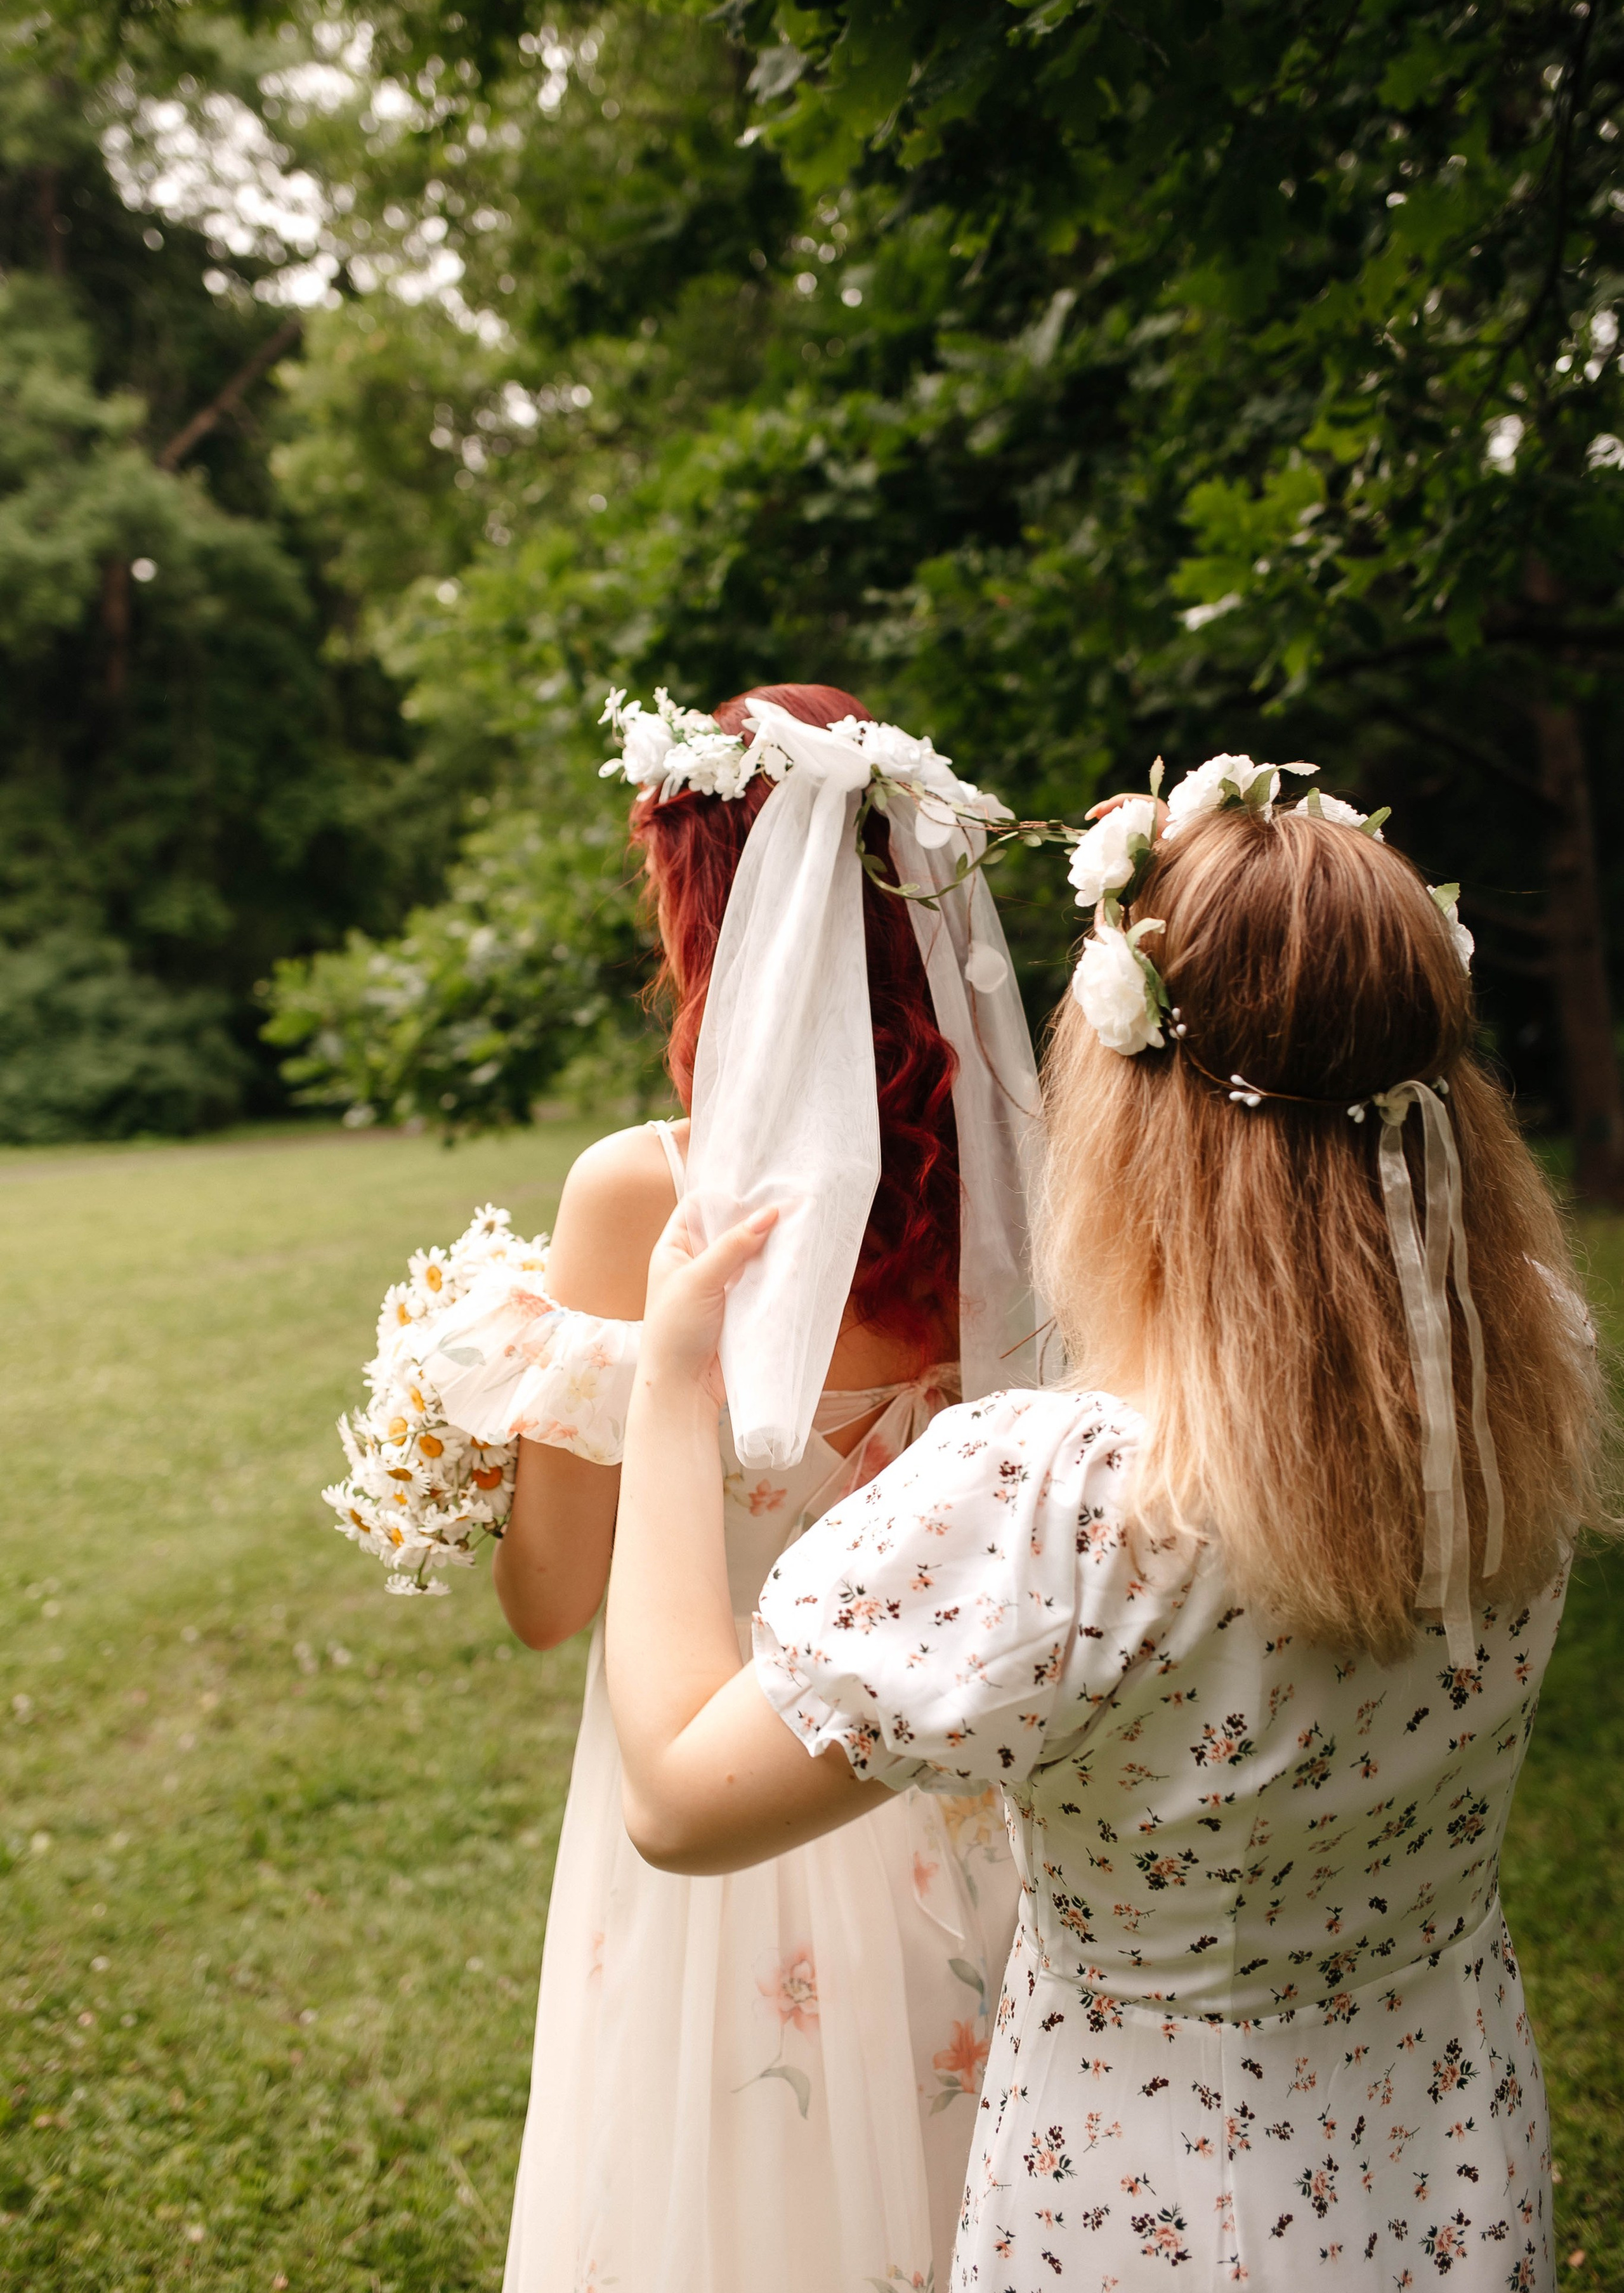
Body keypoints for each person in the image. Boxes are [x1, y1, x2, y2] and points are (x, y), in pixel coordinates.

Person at [602, 757, 1607, 2291]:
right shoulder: (1516, 1355)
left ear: (1134, 1103)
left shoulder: (1056, 1500)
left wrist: (671, 1387)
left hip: (1156, 2191)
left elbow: (677, 1801)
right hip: (1442, 2136)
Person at [417, 683, 1043, 2291]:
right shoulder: (1025, 1187)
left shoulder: (645, 1197)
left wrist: (492, 1417)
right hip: (974, 1797)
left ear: (705, 908)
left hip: (717, 1814)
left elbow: (549, 1603)